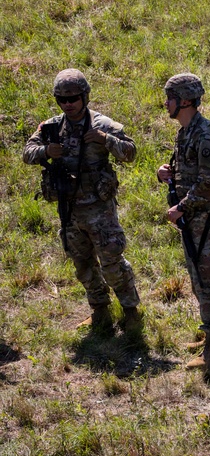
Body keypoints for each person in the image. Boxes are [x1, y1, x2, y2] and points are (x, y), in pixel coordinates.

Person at [23, 69, 142, 333]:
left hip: (99, 210)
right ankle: (99, 310)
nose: (68, 104)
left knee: (112, 261)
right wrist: (46, 150)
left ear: (84, 96)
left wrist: (106, 140)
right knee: (82, 264)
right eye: (62, 100)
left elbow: (131, 152)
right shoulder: (52, 127)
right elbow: (27, 153)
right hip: (69, 208)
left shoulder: (101, 124)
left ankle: (130, 310)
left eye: (73, 98)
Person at [155, 73, 210, 370]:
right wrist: (167, 172)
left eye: (170, 98)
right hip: (194, 220)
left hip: (207, 221)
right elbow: (187, 171)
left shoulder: (206, 137)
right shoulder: (186, 131)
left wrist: (181, 208)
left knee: (209, 281)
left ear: (184, 101)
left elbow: (208, 185)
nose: (166, 103)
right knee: (201, 280)